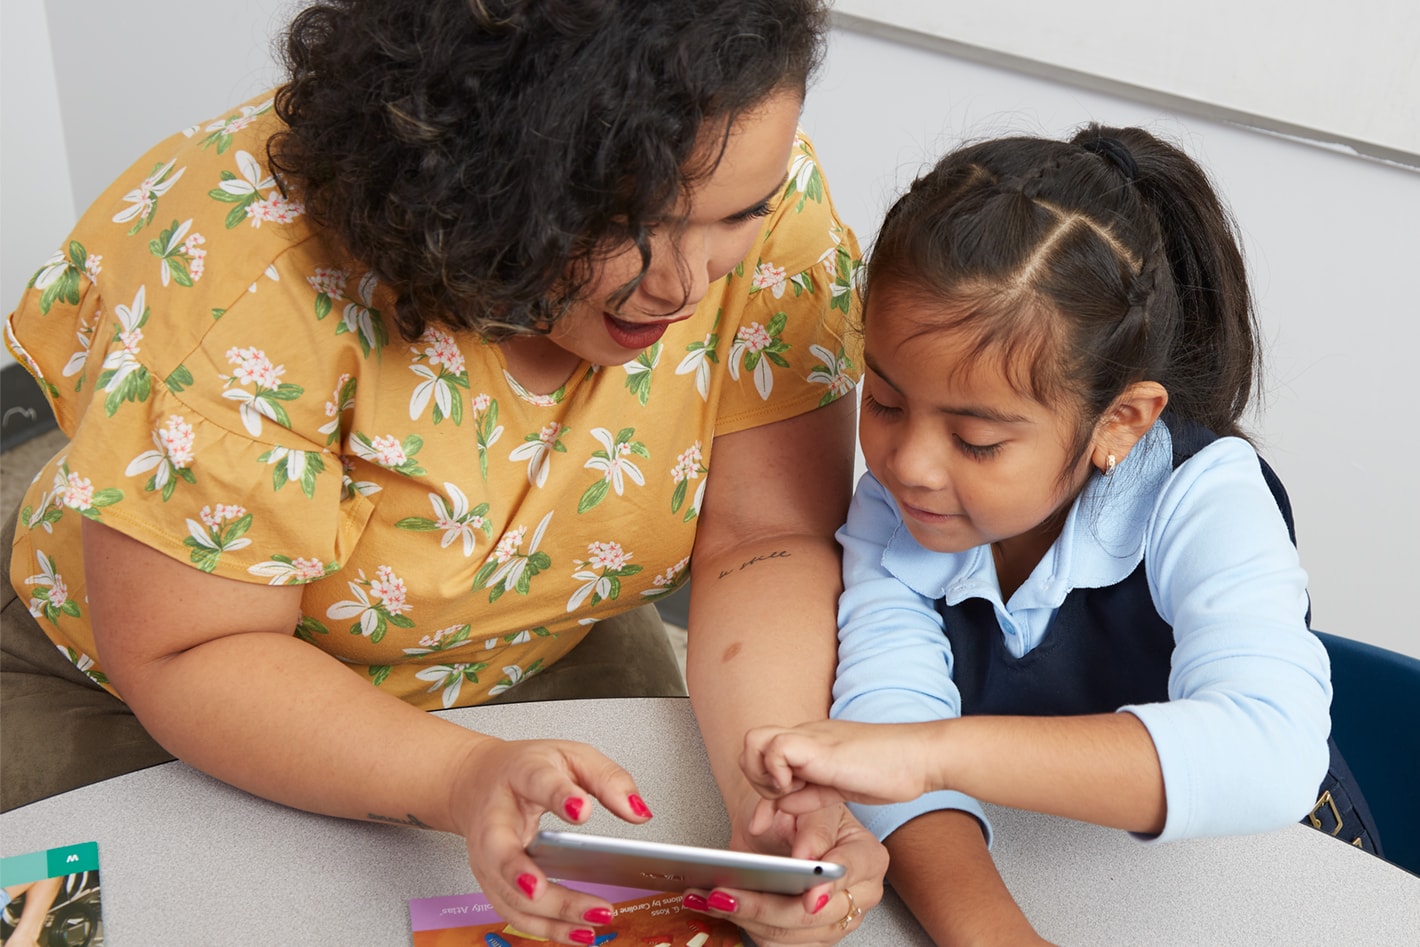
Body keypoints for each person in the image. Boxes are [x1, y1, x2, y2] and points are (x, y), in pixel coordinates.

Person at [1, 1, 888, 944]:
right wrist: (455, 777)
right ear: (476, 170)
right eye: (626, 222)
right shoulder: (247, 267)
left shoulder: (751, 179)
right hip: (155, 677)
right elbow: (192, 650)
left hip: (540, 631)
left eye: (733, 217)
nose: (684, 285)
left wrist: (777, 778)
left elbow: (765, 536)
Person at [740, 125, 1355, 944]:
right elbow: (886, 718)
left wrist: (931, 753)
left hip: (1267, 885)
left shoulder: (1205, 496)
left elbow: (1268, 750)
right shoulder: (899, 504)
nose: (908, 462)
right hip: (1049, 878)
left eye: (978, 440)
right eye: (884, 402)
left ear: (1121, 423)